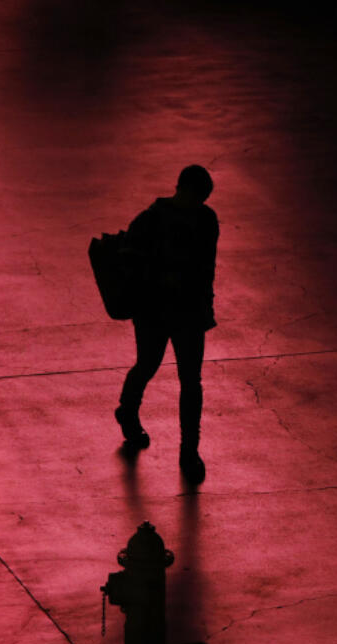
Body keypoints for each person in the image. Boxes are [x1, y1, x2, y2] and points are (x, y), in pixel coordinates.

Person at [115, 165, 218, 483]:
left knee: (185, 379)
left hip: (174, 312)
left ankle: (187, 449)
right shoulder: (156, 221)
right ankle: (131, 413)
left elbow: (206, 268)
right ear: (182, 190)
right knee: (152, 366)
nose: (196, 204)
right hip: (160, 311)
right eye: (195, 197)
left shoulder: (196, 219)